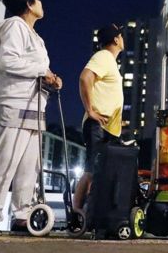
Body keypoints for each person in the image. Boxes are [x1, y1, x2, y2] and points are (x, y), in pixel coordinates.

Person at [0, 0, 62, 235]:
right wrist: (42, 72)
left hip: (35, 106)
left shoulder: (36, 37)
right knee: (4, 164)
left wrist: (51, 79)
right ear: (28, 4)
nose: (40, 2)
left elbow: (35, 68)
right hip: (13, 104)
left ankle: (21, 216)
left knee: (29, 167)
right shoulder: (15, 26)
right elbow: (7, 61)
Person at [73, 24, 125, 211]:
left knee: (98, 172)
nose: (123, 38)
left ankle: (91, 213)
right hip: (98, 126)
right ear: (116, 39)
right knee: (92, 171)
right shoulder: (104, 56)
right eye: (121, 35)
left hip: (107, 127)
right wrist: (91, 110)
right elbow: (85, 78)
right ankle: (78, 213)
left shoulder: (110, 61)